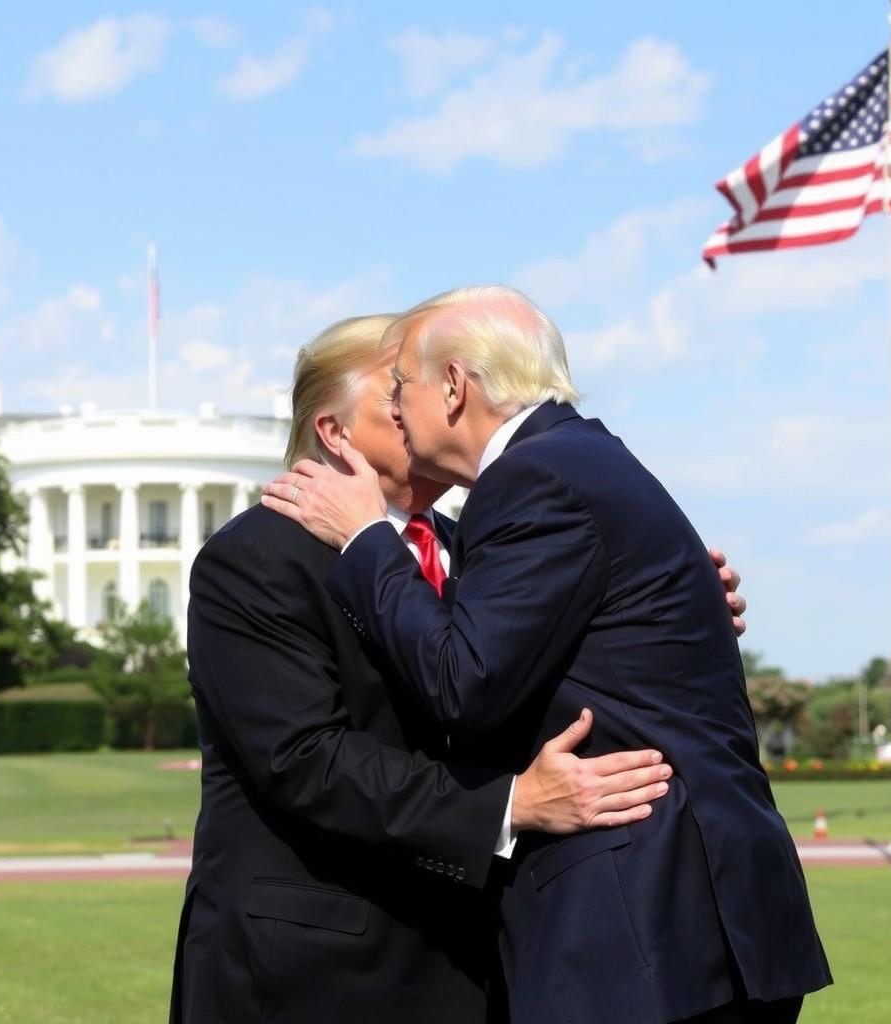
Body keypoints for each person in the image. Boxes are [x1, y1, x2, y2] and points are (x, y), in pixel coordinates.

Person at [265, 286, 831, 1024]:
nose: (398, 410)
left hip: (644, 922)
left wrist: (369, 539)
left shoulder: (535, 480)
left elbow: (461, 685)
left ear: (455, 387)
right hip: (697, 917)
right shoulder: (588, 459)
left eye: (401, 386)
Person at [171, 313, 694, 1024]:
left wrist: (659, 589)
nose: (428, 405)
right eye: (396, 397)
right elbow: (306, 760)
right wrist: (511, 805)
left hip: (471, 963)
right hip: (309, 975)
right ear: (335, 432)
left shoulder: (483, 545)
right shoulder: (258, 559)